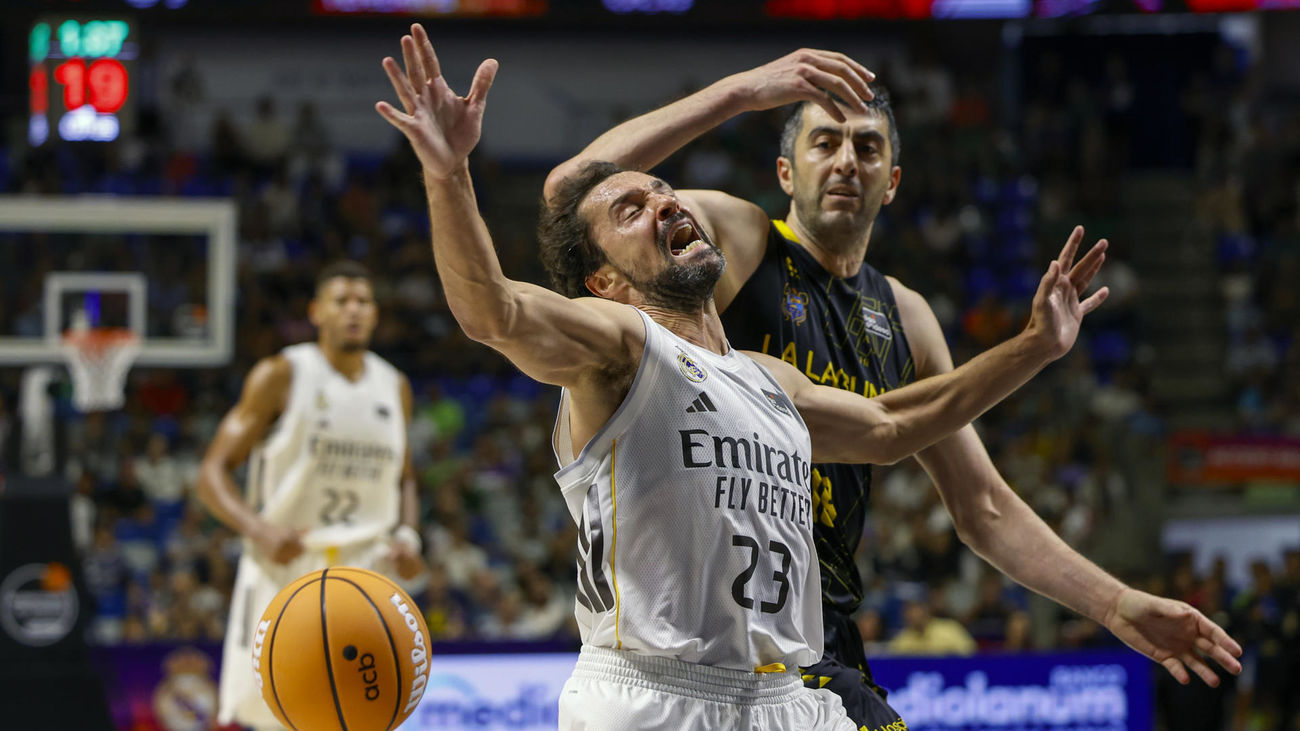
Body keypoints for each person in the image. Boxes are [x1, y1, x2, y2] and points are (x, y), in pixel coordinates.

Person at [372, 26, 1222, 730]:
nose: (846, 158)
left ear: (894, 180)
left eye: (867, 145)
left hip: (799, 657)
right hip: (666, 675)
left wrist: (1036, 352)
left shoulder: (876, 328)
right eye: (823, 138)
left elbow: (917, 449)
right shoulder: (722, 254)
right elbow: (558, 225)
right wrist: (744, 91)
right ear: (784, 172)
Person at [197, 261, 424, 730]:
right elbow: (211, 473)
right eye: (341, 301)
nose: (353, 311)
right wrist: (258, 529)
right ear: (316, 312)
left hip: (367, 571)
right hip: (287, 565)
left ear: (376, 314)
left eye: (363, 301)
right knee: (271, 716)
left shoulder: (394, 385)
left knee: (363, 715)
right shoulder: (281, 373)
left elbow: (404, 476)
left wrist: (409, 534)